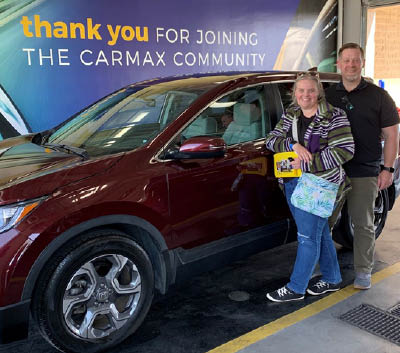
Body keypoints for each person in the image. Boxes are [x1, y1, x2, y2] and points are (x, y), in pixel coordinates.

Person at [265, 73, 355, 302]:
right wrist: (292, 144)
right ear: (295, 93)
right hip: (292, 182)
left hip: (319, 184)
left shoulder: (335, 116)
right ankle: (333, 278)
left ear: (319, 93)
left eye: (310, 91)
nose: (306, 95)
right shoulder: (291, 114)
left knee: (307, 237)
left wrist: (309, 161)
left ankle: (296, 288)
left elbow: (344, 150)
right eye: (301, 91)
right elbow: (272, 139)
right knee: (319, 232)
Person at [325, 43, 400, 290]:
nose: (351, 65)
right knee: (323, 222)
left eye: (355, 60)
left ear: (362, 62)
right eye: (346, 60)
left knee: (364, 224)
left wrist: (387, 169)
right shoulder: (328, 96)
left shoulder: (379, 97)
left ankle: (363, 272)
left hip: (365, 169)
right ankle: (324, 268)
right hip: (333, 170)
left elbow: (391, 136)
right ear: (339, 64)